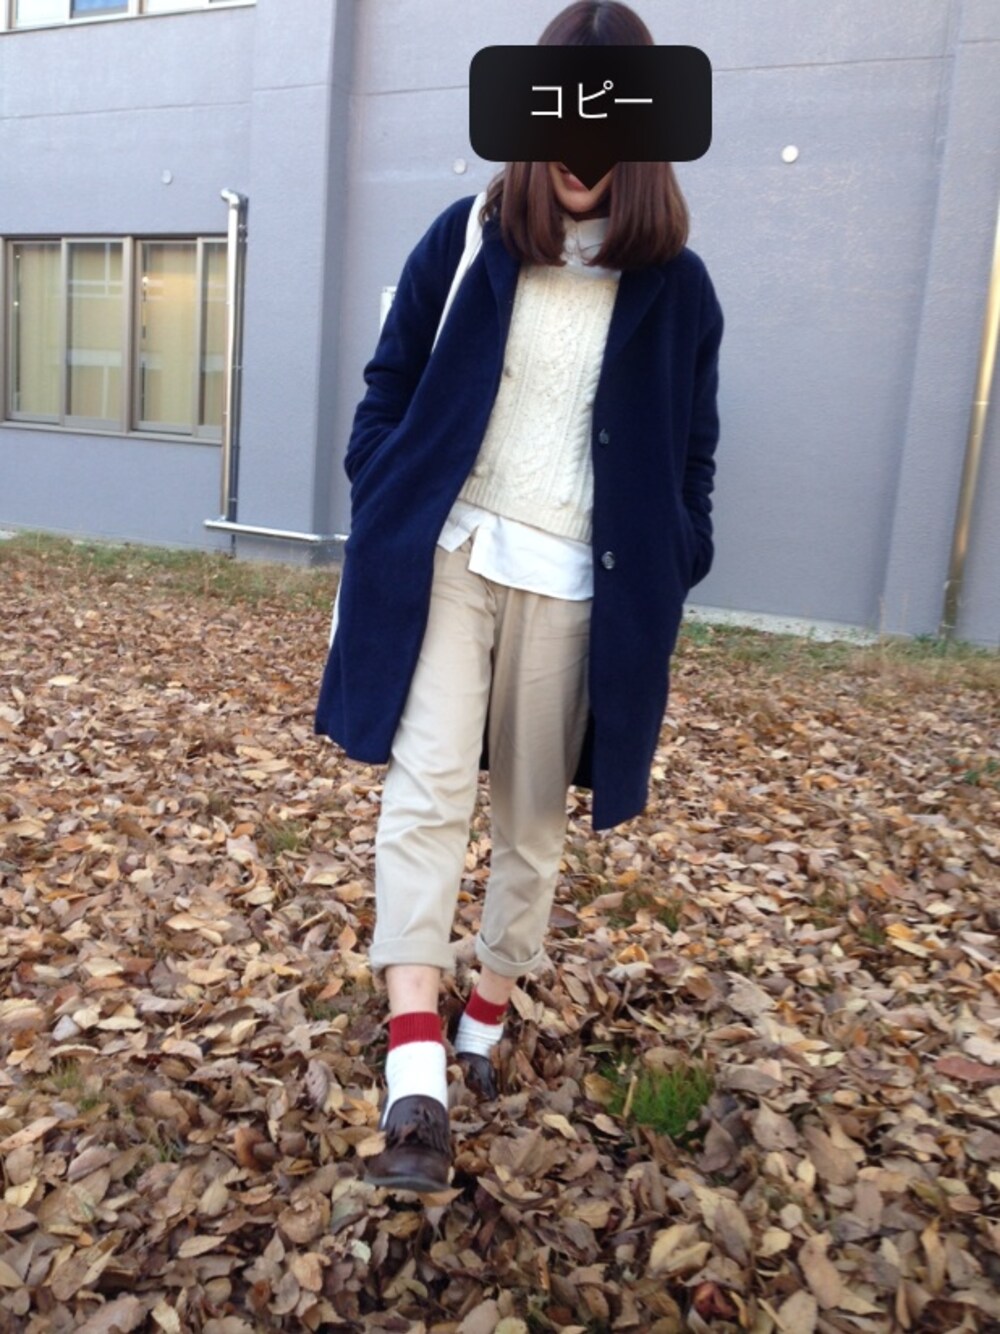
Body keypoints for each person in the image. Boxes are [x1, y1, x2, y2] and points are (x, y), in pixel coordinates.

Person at [315, 0, 724, 1193]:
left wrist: (676, 550)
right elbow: (387, 385)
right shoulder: (464, 240)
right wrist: (383, 483)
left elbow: (693, 456)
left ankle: (486, 1006)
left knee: (532, 823)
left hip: (579, 589)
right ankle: (415, 1074)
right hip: (450, 557)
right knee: (427, 790)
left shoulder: (678, 290)